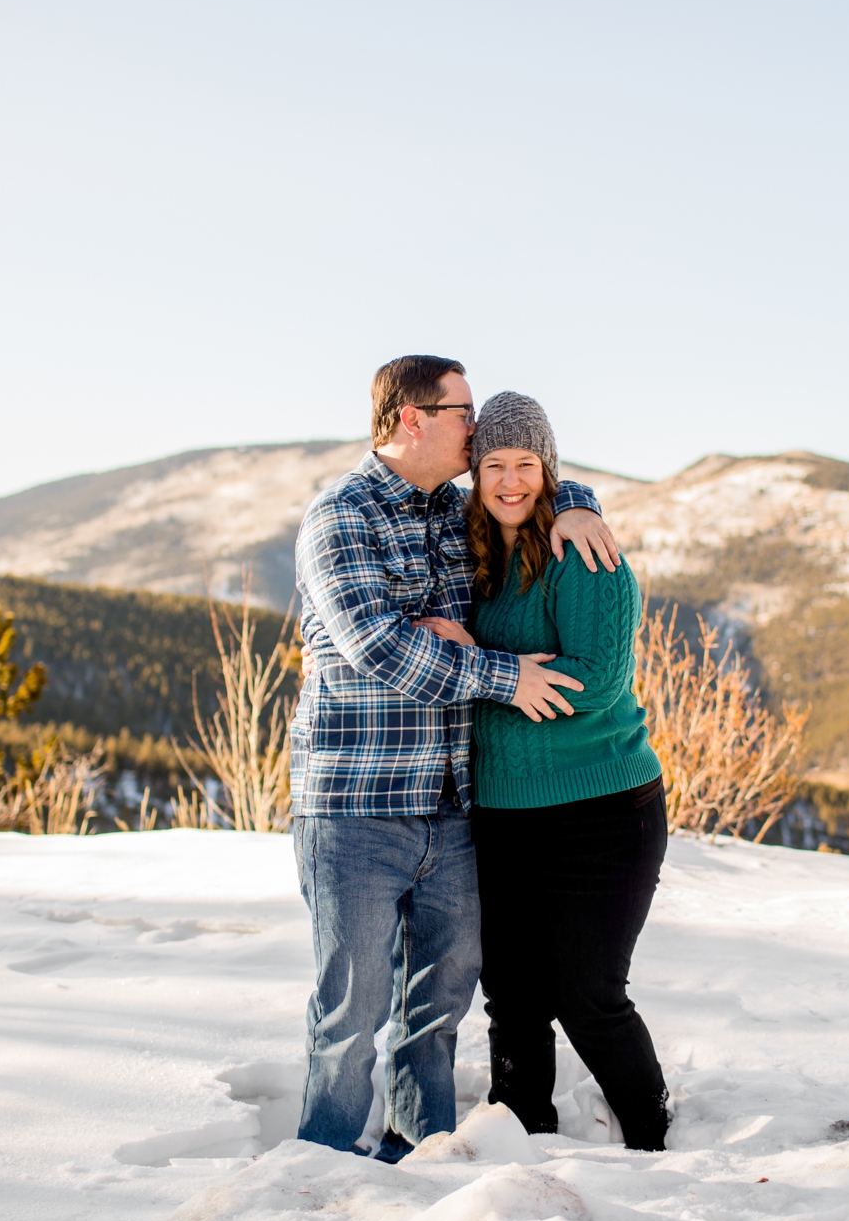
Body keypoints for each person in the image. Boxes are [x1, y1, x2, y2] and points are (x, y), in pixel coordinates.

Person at [287, 354, 622, 1162]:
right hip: (357, 805)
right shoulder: (343, 514)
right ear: (413, 419)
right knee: (351, 1010)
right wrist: (503, 675)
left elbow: (524, 490)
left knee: (438, 1006)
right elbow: (379, 648)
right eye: (463, 412)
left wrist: (576, 501)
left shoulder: (447, 508)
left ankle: (421, 1155)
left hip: (452, 801)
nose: (475, 429)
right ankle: (316, 1173)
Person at [419, 392, 671, 1150]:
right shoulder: (477, 554)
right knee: (515, 995)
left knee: (588, 992)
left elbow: (590, 681)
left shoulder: (584, 555)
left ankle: (652, 1131)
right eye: (493, 464)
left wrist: (474, 664)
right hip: (501, 812)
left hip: (601, 806)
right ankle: (519, 1132)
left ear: (548, 469)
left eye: (526, 464)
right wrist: (487, 667)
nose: (510, 482)